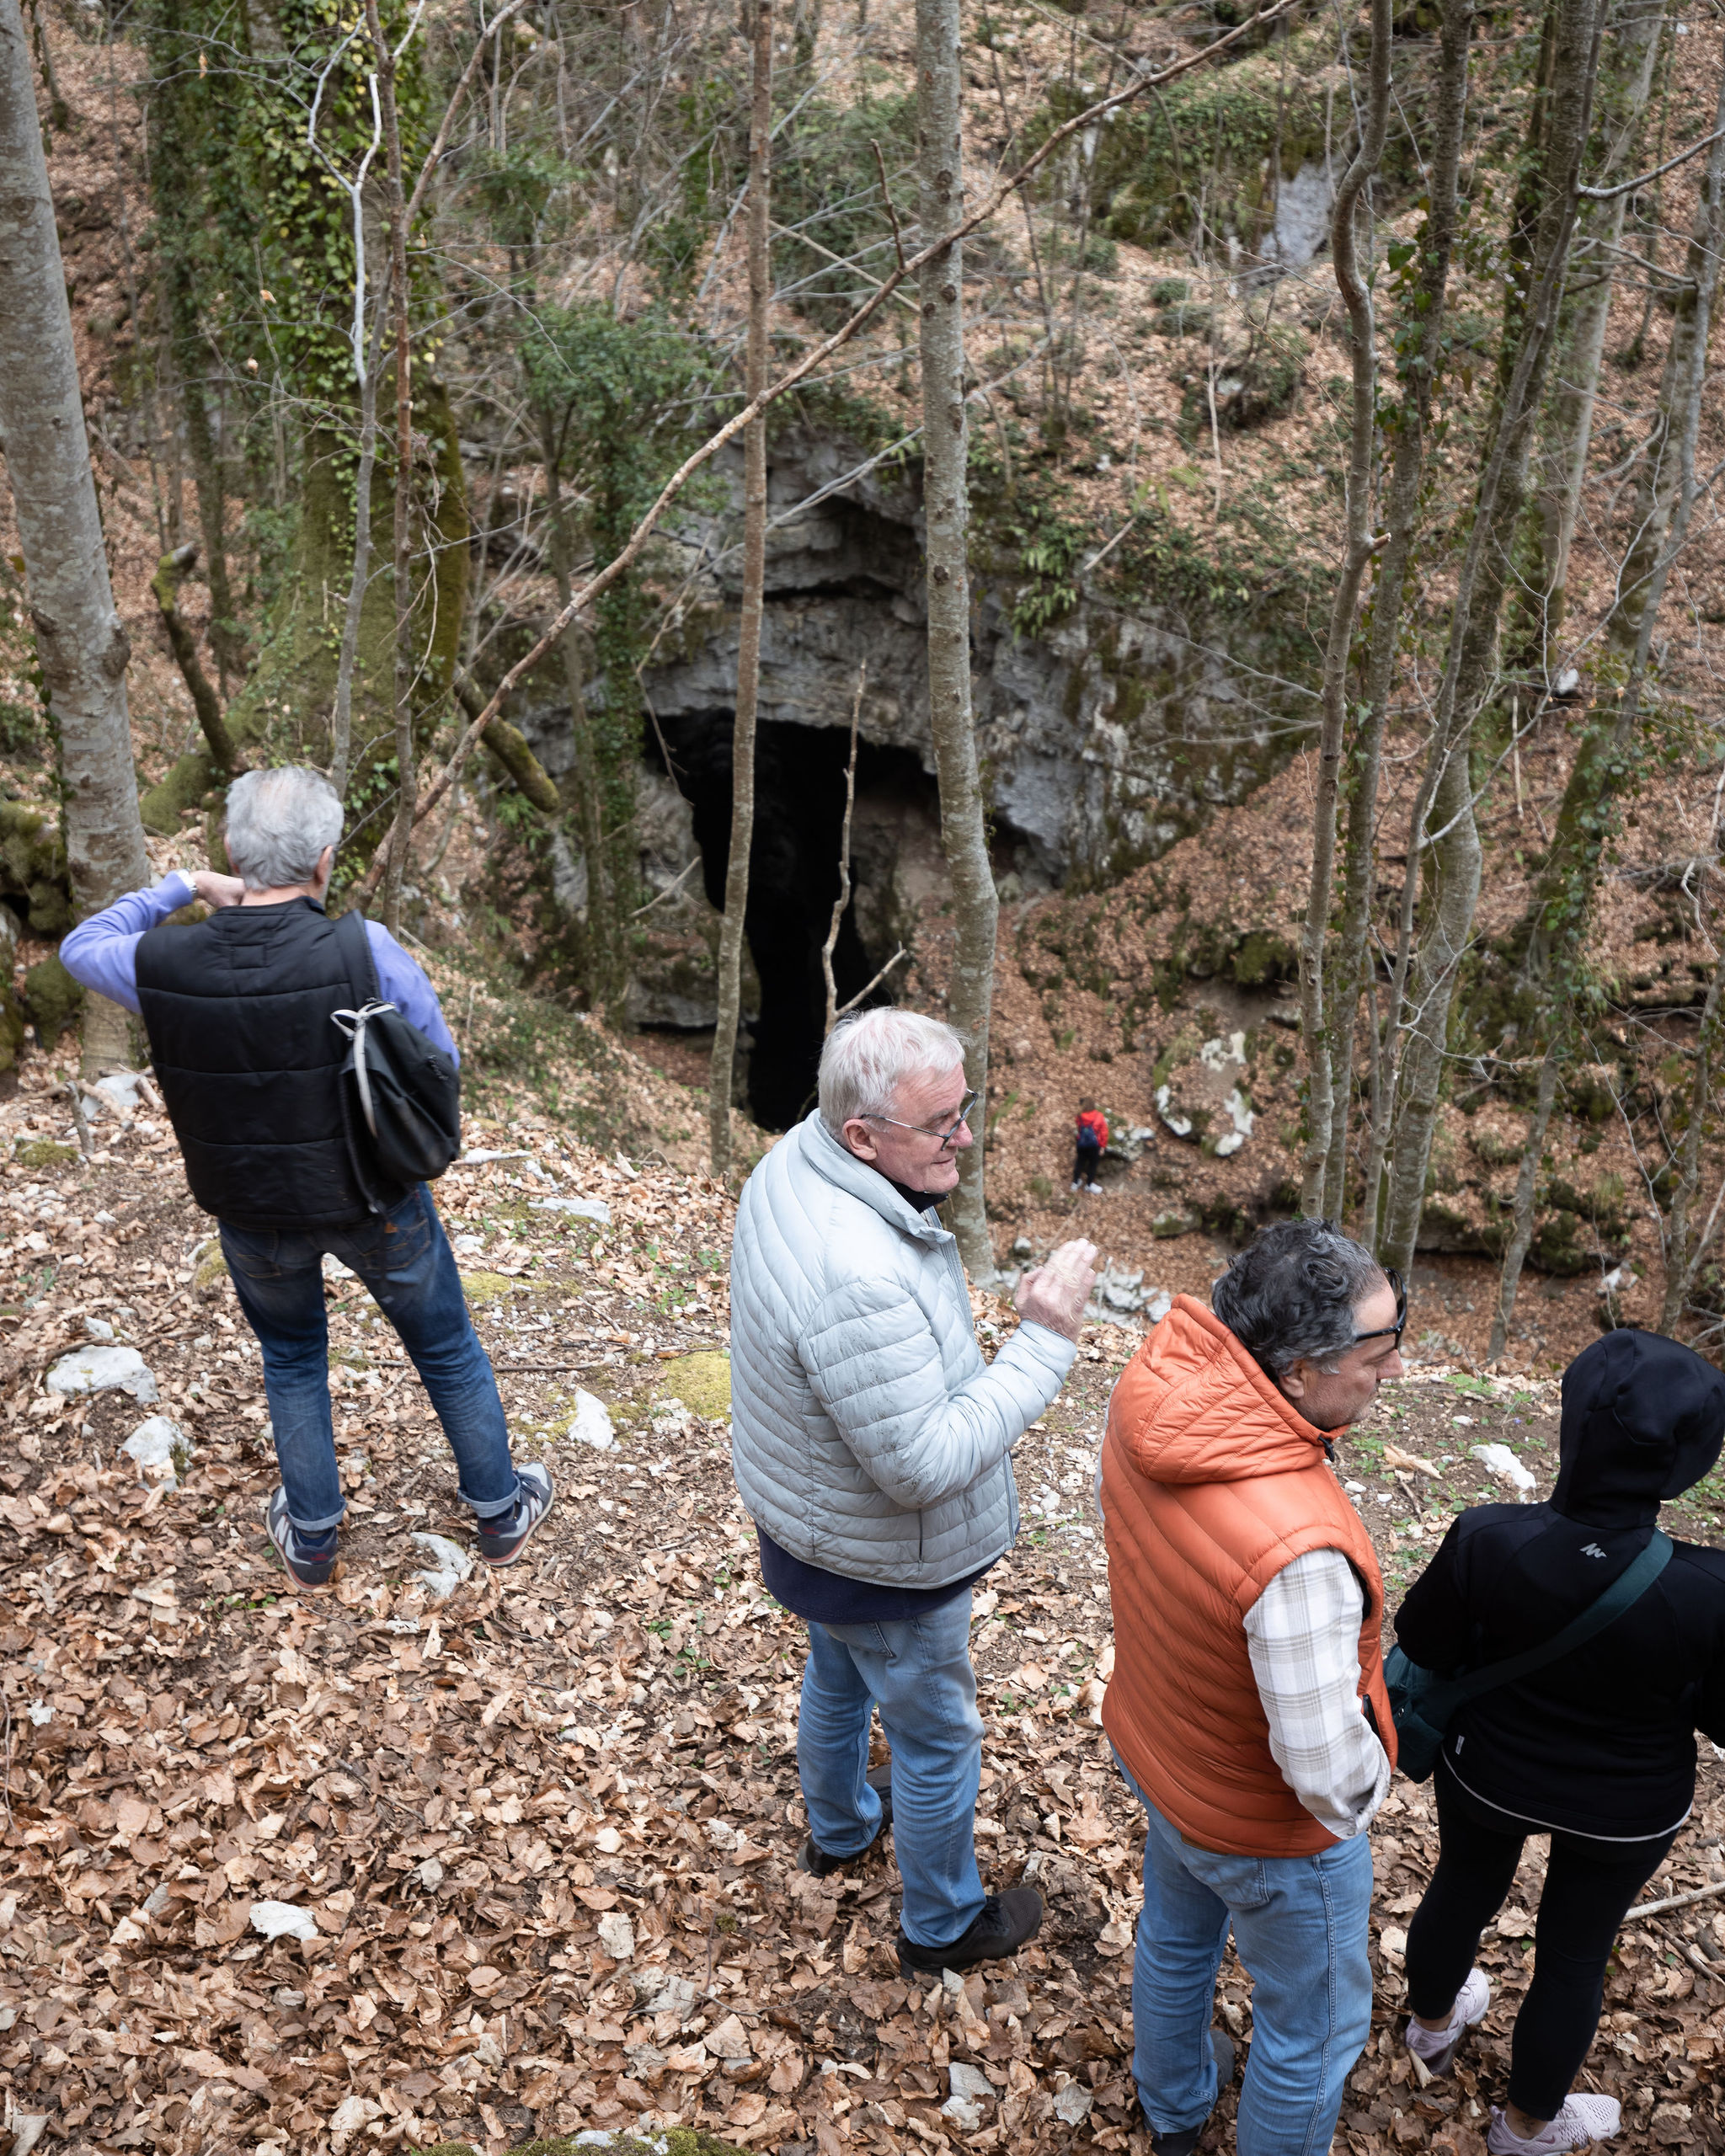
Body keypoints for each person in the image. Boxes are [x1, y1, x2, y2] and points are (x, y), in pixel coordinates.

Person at [59, 766, 553, 1590]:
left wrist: (181, 884)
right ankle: (500, 1514)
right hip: (375, 1196)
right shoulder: (364, 949)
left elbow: (79, 948)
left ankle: (314, 1540)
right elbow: (440, 1061)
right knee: (446, 1348)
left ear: (231, 851)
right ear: (324, 860)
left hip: (251, 1212)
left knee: (291, 1357)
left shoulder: (165, 960)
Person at [729, 1007, 1097, 1976]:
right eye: (942, 1124)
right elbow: (922, 1465)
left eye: (963, 1109)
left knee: (837, 1675)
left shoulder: (791, 1162)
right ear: (862, 1133)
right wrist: (1044, 1338)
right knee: (936, 1742)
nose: (964, 1138)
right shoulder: (857, 1273)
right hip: (882, 1560)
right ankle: (940, 1925)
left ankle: (840, 1827)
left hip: (813, 1531)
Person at [1099, 1219, 1406, 2156]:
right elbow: (1320, 1768)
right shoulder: (1296, 1549)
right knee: (1308, 2034)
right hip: (1262, 1826)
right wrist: (1371, 1792)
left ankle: (1173, 2108)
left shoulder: (1155, 1392)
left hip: (1163, 1755)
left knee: (1176, 1940)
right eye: (1377, 1347)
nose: (1391, 1367)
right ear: (1297, 1372)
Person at [1395, 1328, 1725, 2155]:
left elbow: (1423, 1644)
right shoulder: (1706, 1587)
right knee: (1574, 1954)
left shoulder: (1487, 1535)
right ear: (1687, 1460)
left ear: (1568, 1422)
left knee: (1462, 1887)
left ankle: (1429, 2028)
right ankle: (1524, 2129)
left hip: (1487, 1774)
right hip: (1626, 1807)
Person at [1073, 1098, 1108, 1193]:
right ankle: (1089, 1185)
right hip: (1094, 1146)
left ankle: (1075, 1183)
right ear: (1093, 1105)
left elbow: (1078, 1126)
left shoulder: (1079, 1116)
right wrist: (1102, 1146)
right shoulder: (1099, 1116)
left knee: (1079, 1163)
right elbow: (1104, 1132)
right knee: (1093, 1165)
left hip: (1081, 1144)